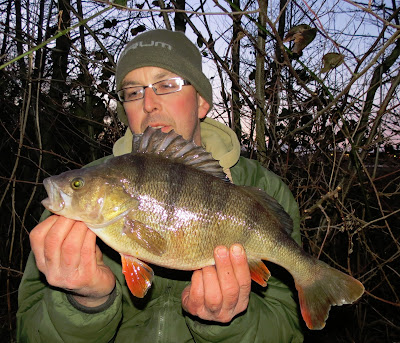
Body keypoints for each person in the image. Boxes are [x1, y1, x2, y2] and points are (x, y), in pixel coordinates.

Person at [17, 29, 304, 342]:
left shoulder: (263, 188)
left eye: (167, 84)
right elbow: (29, 331)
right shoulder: (78, 202)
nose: (149, 103)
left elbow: (284, 330)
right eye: (133, 91)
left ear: (202, 102)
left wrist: (229, 325)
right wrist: (84, 302)